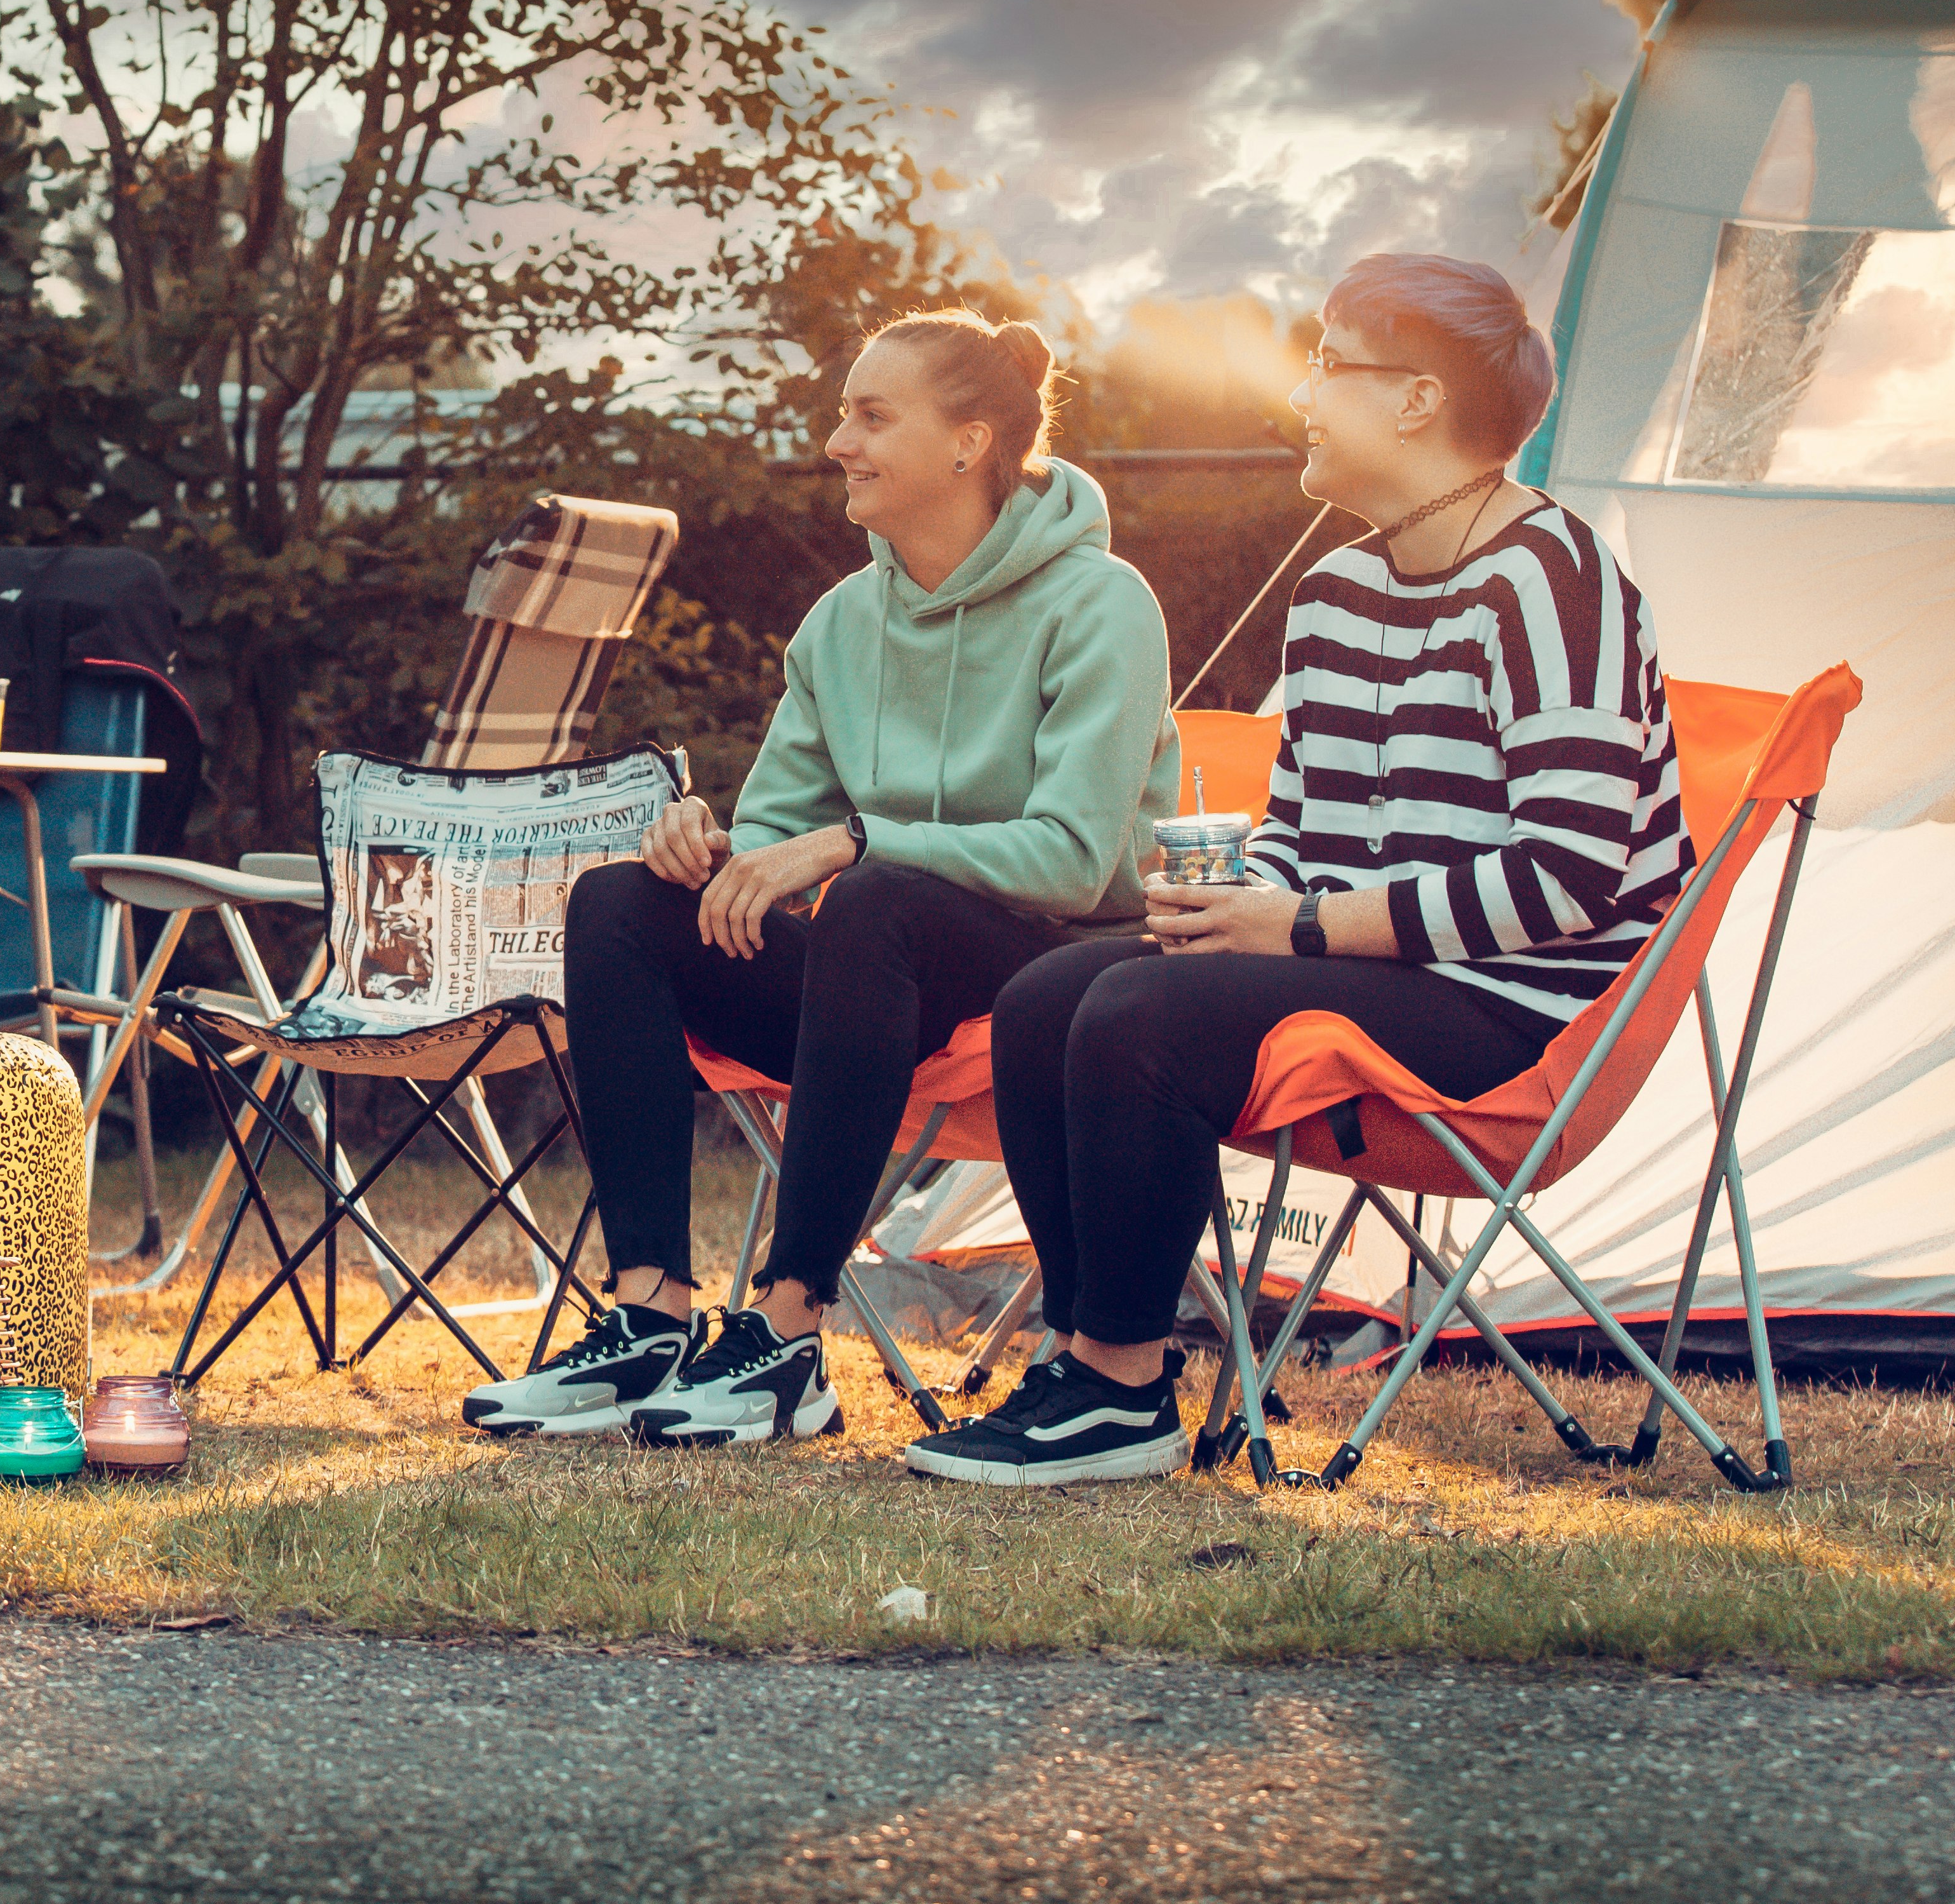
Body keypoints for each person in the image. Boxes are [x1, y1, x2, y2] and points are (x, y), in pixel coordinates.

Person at [910, 253, 1690, 1488]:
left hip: (1514, 1001)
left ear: (1419, 400)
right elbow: (1304, 832)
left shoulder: (1554, 582)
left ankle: (1121, 1390)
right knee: (1048, 993)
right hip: (1368, 962)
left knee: (1140, 1011)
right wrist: (1239, 901)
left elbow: (1573, 876)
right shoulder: (1335, 595)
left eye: (1328, 363)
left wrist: (1301, 925)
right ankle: (1085, 1355)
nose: (1302, 395)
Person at [465, 310, 1177, 1447]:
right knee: (619, 905)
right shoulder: (841, 625)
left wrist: (854, 842)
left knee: (880, 893)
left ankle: (790, 1335)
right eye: (846, 413)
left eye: (870, 415)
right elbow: (773, 853)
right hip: (871, 983)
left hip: (1056, 973)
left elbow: (1075, 858)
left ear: (969, 442)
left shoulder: (1102, 604)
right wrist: (703, 852)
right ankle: (650, 1316)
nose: (837, 440)